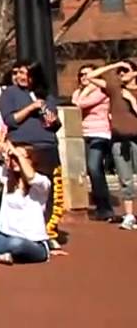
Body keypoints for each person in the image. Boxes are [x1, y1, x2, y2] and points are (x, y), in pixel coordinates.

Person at [0, 59, 64, 241]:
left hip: (47, 146)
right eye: (18, 72)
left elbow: (55, 124)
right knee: (24, 189)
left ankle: (48, 231)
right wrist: (32, 107)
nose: (20, 77)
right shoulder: (9, 93)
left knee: (48, 190)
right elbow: (11, 120)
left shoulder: (46, 96)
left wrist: (52, 120)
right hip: (22, 146)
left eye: (25, 73)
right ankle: (21, 231)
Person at [83, 60, 137, 229]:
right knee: (125, 179)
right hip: (119, 141)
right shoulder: (115, 89)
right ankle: (129, 216)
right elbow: (91, 76)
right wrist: (115, 64)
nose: (121, 74)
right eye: (119, 72)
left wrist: (132, 101)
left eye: (125, 71)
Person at [71, 65, 114, 221]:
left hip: (100, 133)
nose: (83, 77)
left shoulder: (101, 92)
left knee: (94, 167)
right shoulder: (77, 92)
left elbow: (79, 104)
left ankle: (106, 208)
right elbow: (75, 102)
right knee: (93, 171)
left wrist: (89, 88)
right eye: (81, 74)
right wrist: (83, 91)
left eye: (87, 74)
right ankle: (101, 206)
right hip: (84, 134)